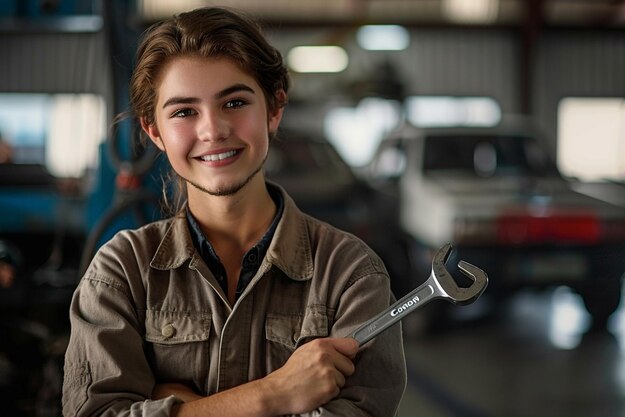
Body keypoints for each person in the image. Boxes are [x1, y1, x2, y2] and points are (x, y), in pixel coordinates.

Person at [62, 6, 406, 417]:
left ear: (274, 109)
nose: (213, 130)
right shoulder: (120, 273)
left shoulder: (350, 276)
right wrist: (273, 394)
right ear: (154, 131)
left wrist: (180, 404)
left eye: (235, 102)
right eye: (184, 112)